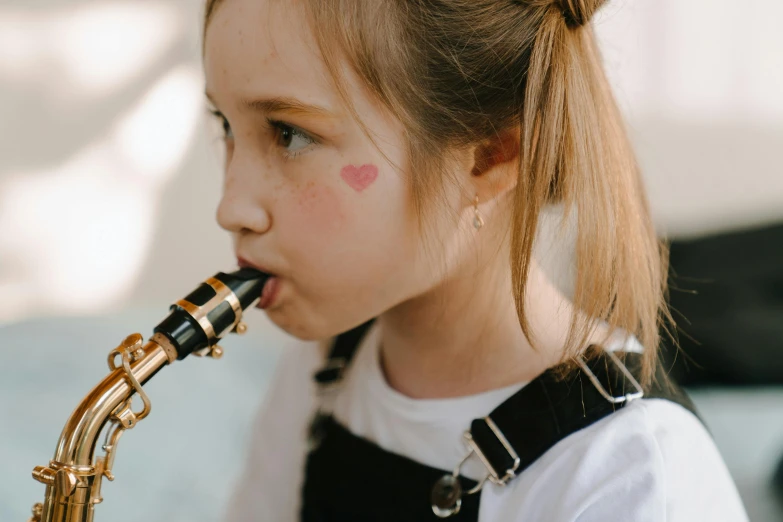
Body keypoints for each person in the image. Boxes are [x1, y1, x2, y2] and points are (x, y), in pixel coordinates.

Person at [202, 0, 749, 520]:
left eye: (289, 134)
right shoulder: (324, 366)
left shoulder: (633, 475)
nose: (231, 207)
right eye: (226, 126)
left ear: (488, 158)